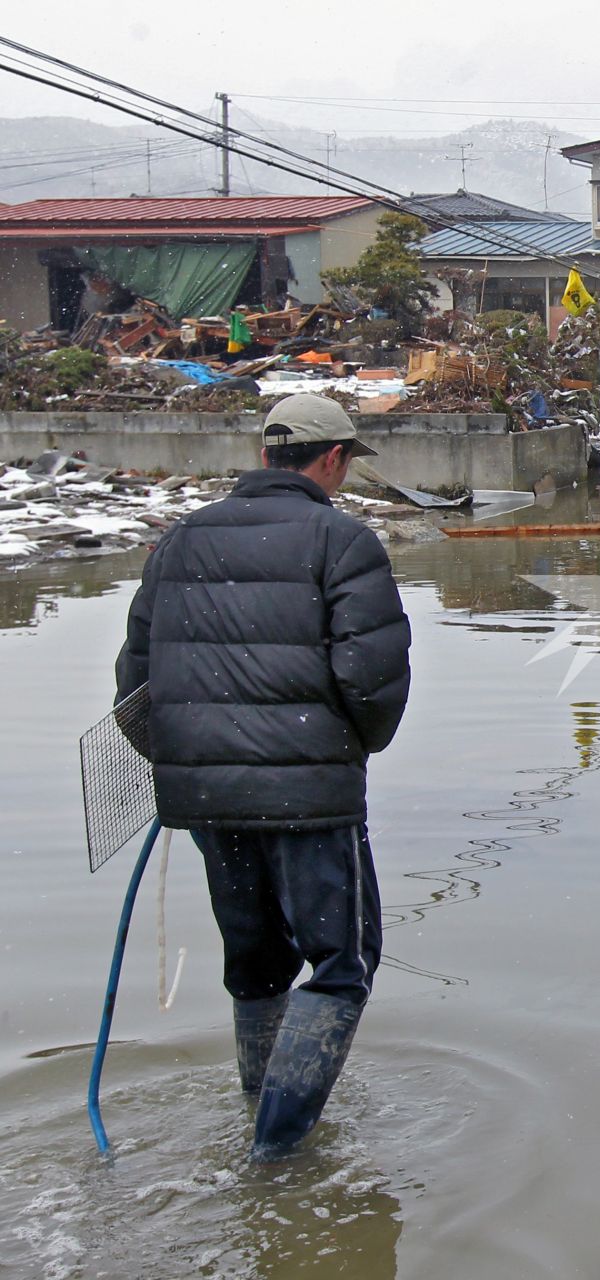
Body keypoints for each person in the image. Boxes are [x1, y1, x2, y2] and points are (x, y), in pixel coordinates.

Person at [115, 392, 411, 1160]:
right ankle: (277, 1154)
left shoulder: (179, 540)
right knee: (343, 965)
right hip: (307, 794)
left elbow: (135, 686)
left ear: (263, 454)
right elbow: (373, 683)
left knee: (257, 963)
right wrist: (336, 757)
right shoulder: (343, 541)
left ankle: (258, 1105)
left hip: (207, 796)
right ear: (334, 460)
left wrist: (193, 762)